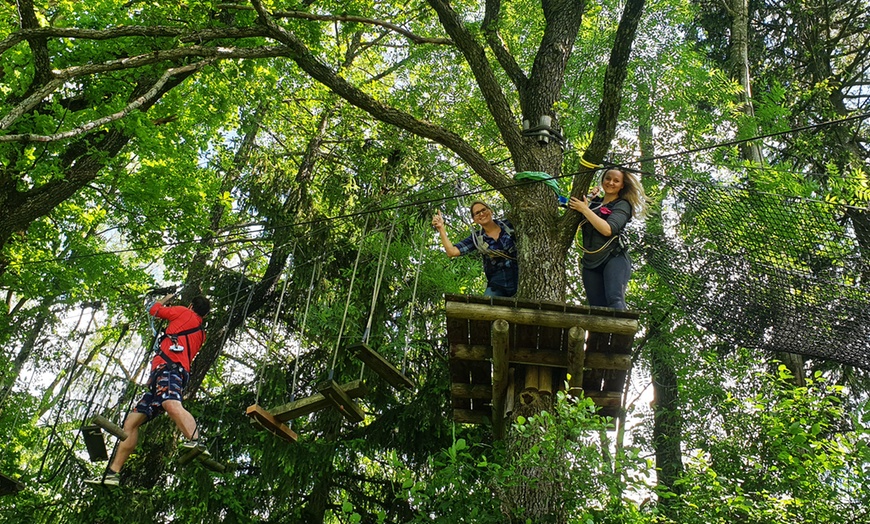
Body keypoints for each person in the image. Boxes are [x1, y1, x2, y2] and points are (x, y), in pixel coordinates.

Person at [86, 292, 211, 487]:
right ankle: (113, 472)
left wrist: (167, 298)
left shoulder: (184, 313)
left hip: (169, 369)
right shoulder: (200, 333)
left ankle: (196, 440)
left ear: (192, 306)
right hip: (163, 374)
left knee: (171, 403)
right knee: (131, 422)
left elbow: (153, 310)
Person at [568, 168, 647, 310]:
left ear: (622, 185)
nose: (611, 182)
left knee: (614, 299)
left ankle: (622, 332)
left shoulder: (623, 205)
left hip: (613, 257)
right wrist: (590, 202)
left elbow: (607, 229)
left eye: (616, 181)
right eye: (608, 178)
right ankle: (598, 333)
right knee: (596, 308)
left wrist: (584, 210)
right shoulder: (594, 204)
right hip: (590, 262)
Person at [432, 201, 519, 297]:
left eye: (483, 210)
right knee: (485, 309)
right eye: (477, 213)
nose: (481, 214)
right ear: (475, 220)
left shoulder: (510, 225)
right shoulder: (477, 238)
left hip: (521, 276)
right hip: (498, 286)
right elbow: (451, 252)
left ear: (491, 211)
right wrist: (441, 228)